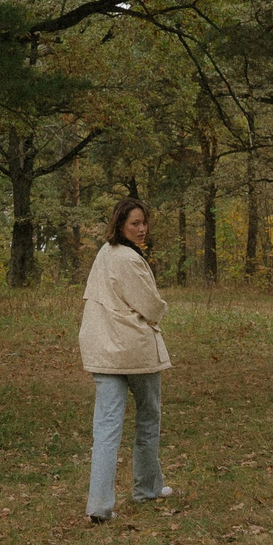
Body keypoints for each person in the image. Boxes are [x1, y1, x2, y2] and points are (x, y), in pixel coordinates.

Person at [79, 195, 171, 522]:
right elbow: (150, 304)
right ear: (120, 225)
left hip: (102, 351)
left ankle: (100, 505)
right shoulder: (128, 260)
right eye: (135, 223)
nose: (142, 229)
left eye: (144, 222)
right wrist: (160, 313)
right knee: (149, 415)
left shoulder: (104, 254)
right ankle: (146, 489)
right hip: (132, 351)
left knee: (106, 427)